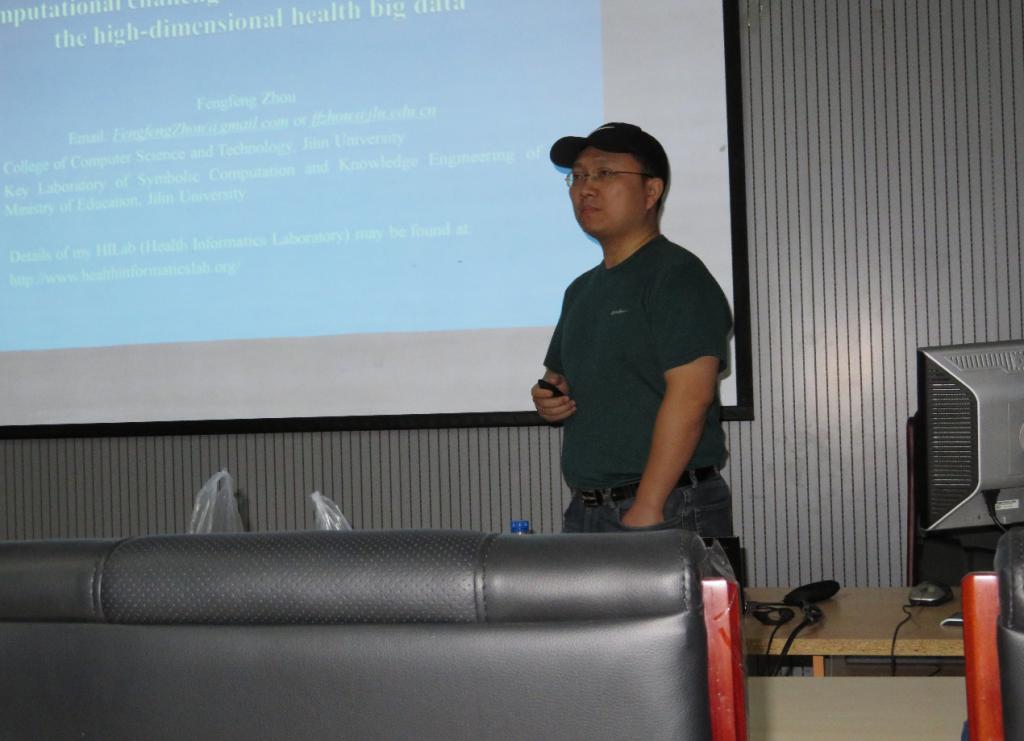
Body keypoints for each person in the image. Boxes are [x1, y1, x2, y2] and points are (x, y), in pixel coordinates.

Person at [531, 122, 733, 537]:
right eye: (578, 177)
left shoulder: (676, 275)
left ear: (651, 191)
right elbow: (557, 379)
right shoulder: (581, 290)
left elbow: (692, 395)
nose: (586, 189)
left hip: (665, 505)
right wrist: (548, 398)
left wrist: (649, 504)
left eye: (604, 173)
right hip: (587, 510)